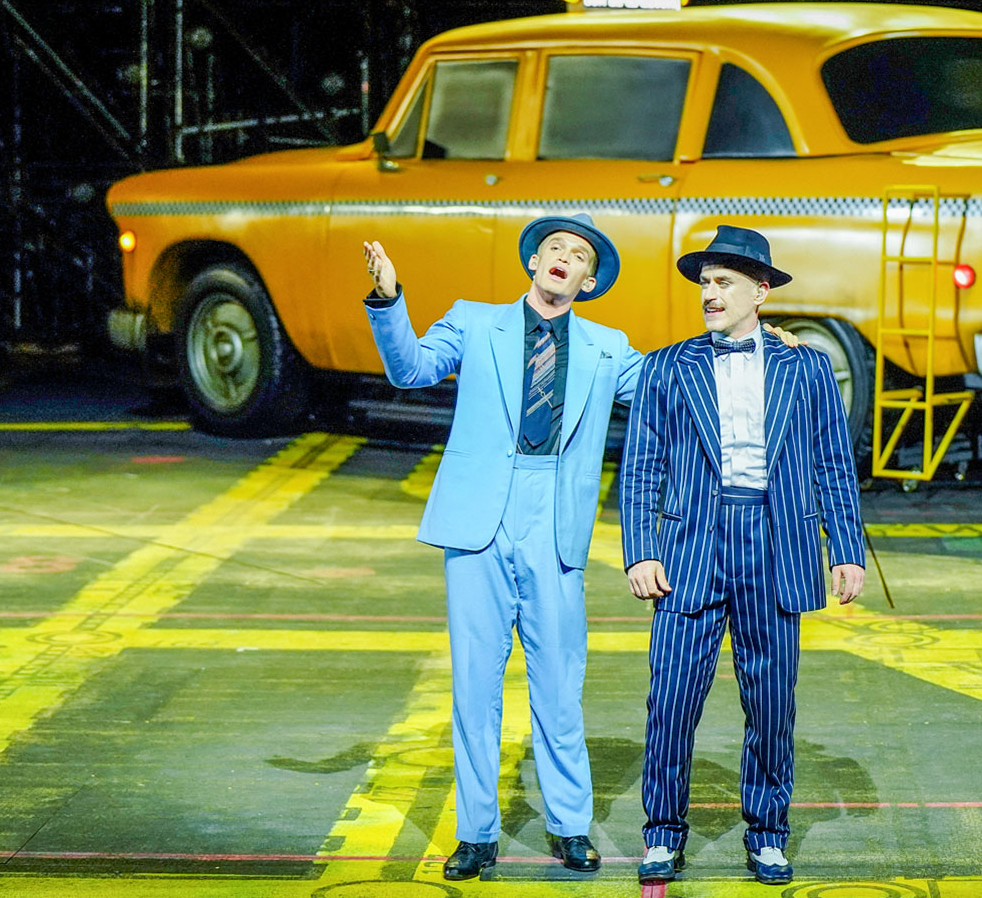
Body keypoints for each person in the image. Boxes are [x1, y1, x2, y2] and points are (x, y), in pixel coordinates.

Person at [362, 213, 638, 880]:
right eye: (552, 248)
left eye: (576, 254)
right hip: (480, 518)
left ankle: (570, 826)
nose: (562, 258)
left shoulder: (608, 347)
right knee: (474, 685)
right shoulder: (475, 322)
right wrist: (388, 300)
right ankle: (478, 834)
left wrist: (756, 351)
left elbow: (674, 390)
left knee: (558, 686)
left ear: (589, 278)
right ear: (533, 263)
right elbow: (410, 369)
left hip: (554, 523)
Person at [619, 224, 867, 886]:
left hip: (775, 542)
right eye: (705, 283)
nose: (710, 293)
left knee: (771, 702)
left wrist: (846, 549)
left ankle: (768, 832)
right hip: (693, 545)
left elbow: (833, 464)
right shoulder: (668, 366)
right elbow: (640, 466)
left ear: (761, 290)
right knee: (670, 699)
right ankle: (663, 832)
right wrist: (640, 550)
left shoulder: (806, 367)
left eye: (723, 282)